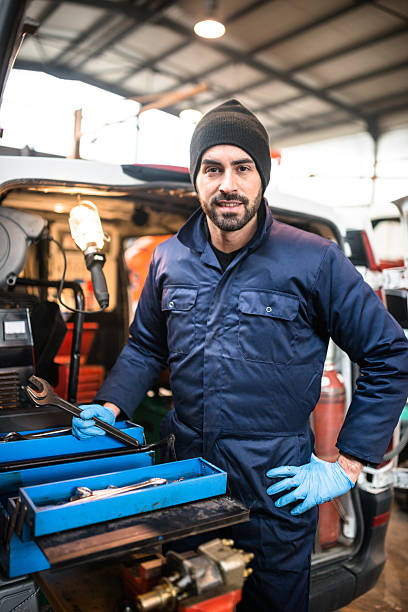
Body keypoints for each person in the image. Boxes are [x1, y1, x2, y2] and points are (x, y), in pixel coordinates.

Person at [72, 100, 408, 611]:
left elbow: (390, 354)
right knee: (185, 599)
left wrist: (347, 464)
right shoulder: (169, 258)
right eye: (212, 168)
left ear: (260, 177)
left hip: (275, 496)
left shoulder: (313, 259)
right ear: (197, 179)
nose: (227, 183)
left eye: (242, 167)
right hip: (185, 484)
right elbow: (145, 345)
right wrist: (112, 404)